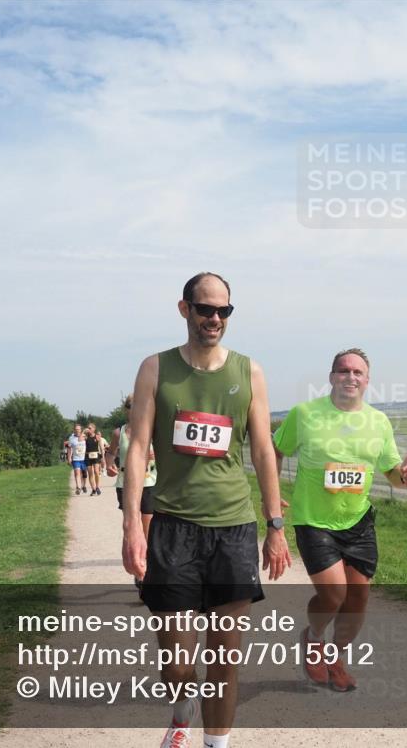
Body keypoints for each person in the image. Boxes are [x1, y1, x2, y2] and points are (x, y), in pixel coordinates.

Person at [121, 272, 290, 748]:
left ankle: (217, 743)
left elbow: (262, 453)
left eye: (223, 311)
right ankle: (181, 711)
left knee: (224, 658)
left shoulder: (249, 371)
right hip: (173, 527)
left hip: (233, 528)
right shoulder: (155, 368)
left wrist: (275, 525)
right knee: (177, 661)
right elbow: (137, 447)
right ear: (185, 310)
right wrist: (133, 522)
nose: (214, 319)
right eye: (205, 309)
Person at [273, 348, 407, 692]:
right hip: (314, 520)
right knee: (334, 593)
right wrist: (272, 493)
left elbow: (391, 473)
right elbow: (274, 449)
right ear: (331, 377)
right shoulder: (305, 414)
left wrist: (405, 476)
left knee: (357, 598)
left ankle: (335, 656)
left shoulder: (378, 422)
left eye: (357, 372)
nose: (350, 377)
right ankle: (313, 637)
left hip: (358, 522)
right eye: (343, 371)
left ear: (368, 381)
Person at [105, 395, 157, 592]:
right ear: (126, 409)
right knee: (131, 527)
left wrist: (156, 454)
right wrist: (109, 466)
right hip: (125, 484)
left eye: (140, 405)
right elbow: (111, 452)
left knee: (147, 529)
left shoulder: (154, 430)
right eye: (130, 406)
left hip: (150, 481)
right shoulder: (119, 432)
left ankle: (147, 571)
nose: (135, 409)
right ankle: (139, 570)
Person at [67, 424, 88, 495]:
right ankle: (78, 487)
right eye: (76, 429)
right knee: (77, 472)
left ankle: (84, 485)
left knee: (84, 474)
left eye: (78, 429)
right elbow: (69, 448)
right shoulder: (71, 438)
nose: (77, 431)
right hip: (76, 459)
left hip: (84, 458)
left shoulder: (85, 436)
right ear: (74, 430)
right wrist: (69, 458)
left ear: (81, 430)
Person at [85, 423, 103, 496]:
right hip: (88, 456)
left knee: (96, 471)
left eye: (90, 428)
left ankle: (97, 487)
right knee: (90, 473)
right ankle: (93, 489)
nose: (89, 429)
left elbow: (101, 447)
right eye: (88, 428)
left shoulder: (97, 437)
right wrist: (83, 432)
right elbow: (79, 439)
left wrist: (103, 457)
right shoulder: (85, 437)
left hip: (96, 456)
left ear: (94, 429)